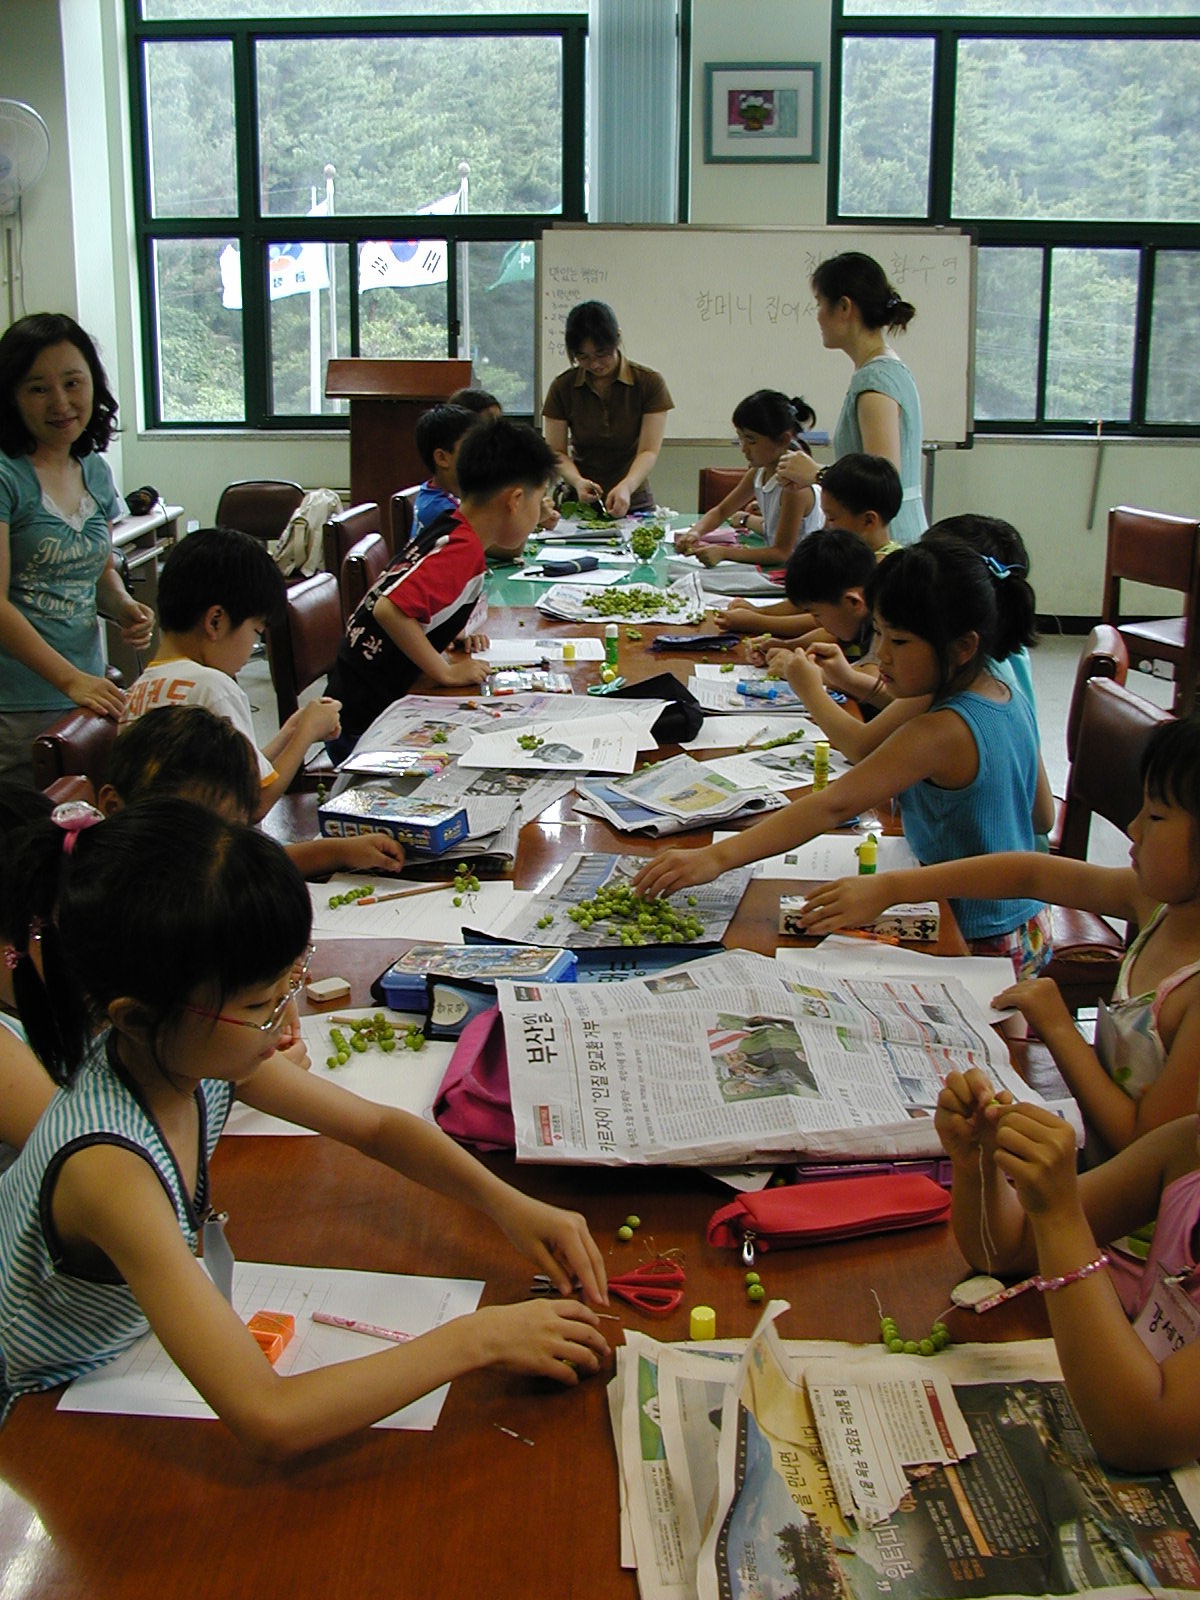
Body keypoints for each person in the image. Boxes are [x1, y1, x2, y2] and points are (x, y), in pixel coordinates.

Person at [0, 800, 609, 1457]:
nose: (287, 1024)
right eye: (261, 1006)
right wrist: (478, 1338)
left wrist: (508, 1204)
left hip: (124, 1342)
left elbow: (378, 1128)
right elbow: (272, 1417)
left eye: (288, 985)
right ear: (138, 1017)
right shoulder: (110, 1170)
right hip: (42, 1411)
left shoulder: (186, 1057)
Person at [634, 539, 1056, 977]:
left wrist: (716, 859)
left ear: (962, 646)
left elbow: (833, 805)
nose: (882, 654)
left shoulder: (940, 730)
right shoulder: (998, 688)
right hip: (1025, 924)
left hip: (977, 938)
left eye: (899, 641)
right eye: (879, 632)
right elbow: (1039, 815)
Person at [802, 717, 1200, 1157]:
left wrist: (1057, 1026)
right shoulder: (1158, 905)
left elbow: (1145, 1147)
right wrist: (892, 888)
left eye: (1156, 816)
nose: (1134, 828)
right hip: (1084, 1142)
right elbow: (1030, 873)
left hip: (1115, 1191)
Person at [934, 1064, 1200, 1472]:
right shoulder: (1186, 1151)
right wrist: (980, 1164)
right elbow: (1008, 1249)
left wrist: (1060, 1216)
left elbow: (1141, 1433)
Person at [327, 419, 556, 756]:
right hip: (364, 727)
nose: (538, 514)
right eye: (539, 501)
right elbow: (389, 609)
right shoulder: (462, 550)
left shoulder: (453, 528)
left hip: (359, 707)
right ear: (516, 500)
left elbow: (414, 594)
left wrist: (449, 629)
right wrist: (445, 672)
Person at [0, 314, 155, 782]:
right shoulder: (7, 476)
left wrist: (123, 606)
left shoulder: (92, 468)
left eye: (73, 383)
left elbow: (99, 570)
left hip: (86, 690)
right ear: (11, 395)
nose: (61, 403)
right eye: (38, 388)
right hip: (17, 704)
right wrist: (70, 678)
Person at [120, 527, 341, 818]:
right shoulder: (213, 688)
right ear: (215, 621)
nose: (251, 648)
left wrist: (289, 734)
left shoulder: (137, 691)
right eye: (256, 631)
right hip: (211, 845)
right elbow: (254, 802)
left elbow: (231, 780)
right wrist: (307, 734)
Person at [104, 705, 406, 878]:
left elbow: (241, 862)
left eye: (229, 836)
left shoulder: (204, 858)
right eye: (191, 840)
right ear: (113, 807)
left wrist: (340, 851)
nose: (213, 854)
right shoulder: (115, 906)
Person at [776, 253, 927, 547]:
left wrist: (817, 474)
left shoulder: (876, 380)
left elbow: (882, 484)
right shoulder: (878, 372)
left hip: (887, 545)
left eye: (820, 304)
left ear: (844, 307)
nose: (818, 316)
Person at [716, 453, 902, 639]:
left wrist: (756, 621)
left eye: (832, 518)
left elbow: (824, 623)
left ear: (868, 521)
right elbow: (810, 602)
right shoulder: (847, 555)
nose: (826, 526)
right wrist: (760, 611)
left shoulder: (883, 571)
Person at [541, 300, 673, 517]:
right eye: (583, 357)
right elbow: (557, 451)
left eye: (601, 354)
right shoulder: (563, 387)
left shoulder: (649, 382)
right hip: (581, 501)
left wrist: (627, 486)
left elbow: (648, 450)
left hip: (634, 499)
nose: (594, 364)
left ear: (617, 338)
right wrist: (577, 481)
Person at [674, 391, 821, 571]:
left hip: (803, 573)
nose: (743, 449)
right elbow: (721, 511)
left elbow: (781, 553)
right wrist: (695, 533)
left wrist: (724, 552)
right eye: (740, 438)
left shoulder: (794, 486)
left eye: (751, 441)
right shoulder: (758, 473)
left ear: (783, 440)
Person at [410, 404, 476, 539]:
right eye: (472, 447)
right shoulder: (442, 512)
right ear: (442, 458)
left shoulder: (440, 492)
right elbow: (506, 546)